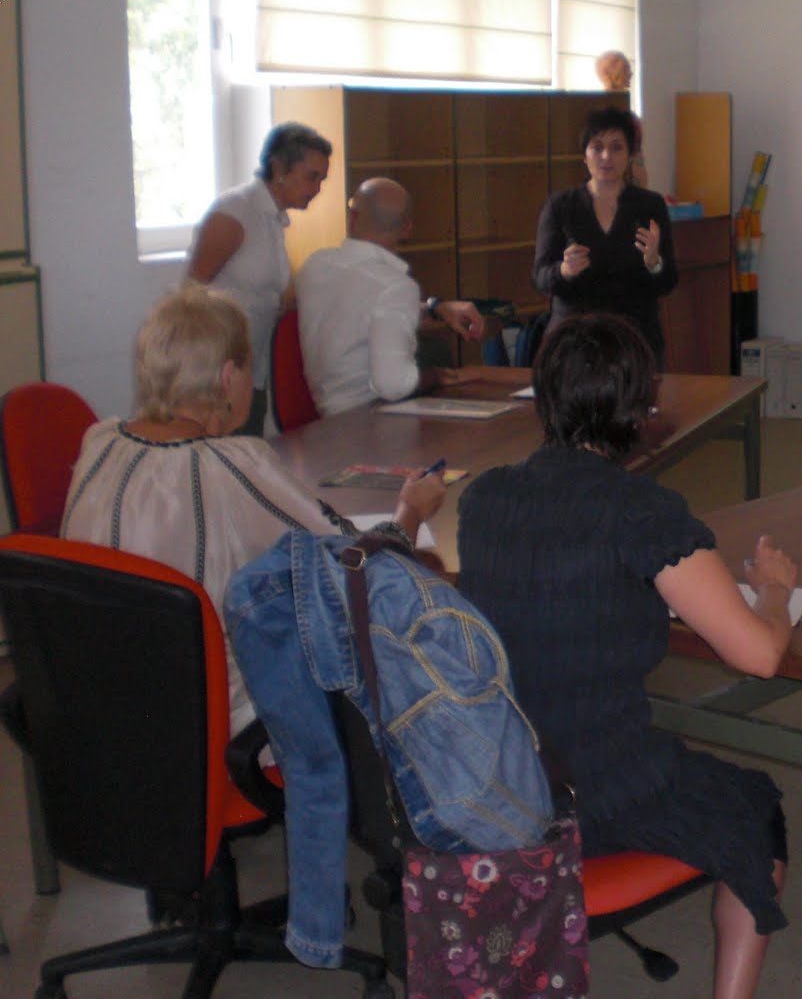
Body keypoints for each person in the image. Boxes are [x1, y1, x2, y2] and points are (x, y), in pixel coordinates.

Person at [456, 312, 795, 999]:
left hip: (497, 779)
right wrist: (776, 592)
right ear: (639, 408)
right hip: (598, 788)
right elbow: (758, 656)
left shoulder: (483, 497)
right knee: (757, 810)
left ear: (544, 397)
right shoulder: (641, 511)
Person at [61, 286, 444, 739]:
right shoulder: (231, 465)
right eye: (249, 370)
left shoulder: (98, 442)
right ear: (228, 377)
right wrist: (410, 512)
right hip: (206, 719)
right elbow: (355, 564)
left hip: (96, 704)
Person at [295, 177, 488, 417]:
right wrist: (438, 375)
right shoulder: (395, 287)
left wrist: (435, 308)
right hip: (373, 420)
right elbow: (394, 385)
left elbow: (357, 310)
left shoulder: (314, 266)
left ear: (352, 217)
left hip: (325, 420)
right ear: (407, 229)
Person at [187, 122, 332, 434]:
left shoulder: (274, 219)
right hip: (218, 375)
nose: (318, 188)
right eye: (312, 177)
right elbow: (190, 295)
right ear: (278, 168)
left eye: (322, 179)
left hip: (254, 369)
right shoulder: (234, 212)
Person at [533, 106, 678, 365]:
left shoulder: (650, 205)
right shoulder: (560, 206)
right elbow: (540, 277)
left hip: (635, 340)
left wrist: (654, 262)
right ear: (584, 155)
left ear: (629, 154)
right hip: (574, 342)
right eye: (597, 147)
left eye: (616, 148)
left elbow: (668, 281)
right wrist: (564, 271)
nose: (606, 156)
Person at [594, 49, 649, 188]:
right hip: (623, 174)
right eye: (627, 69)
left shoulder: (622, 105)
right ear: (616, 72)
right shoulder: (607, 107)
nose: (631, 73)